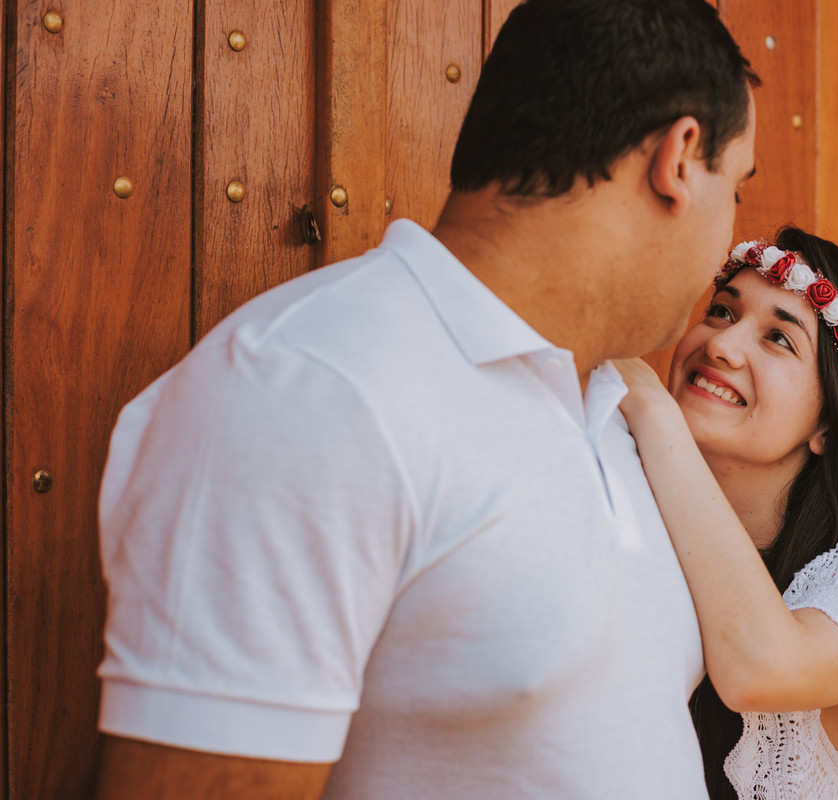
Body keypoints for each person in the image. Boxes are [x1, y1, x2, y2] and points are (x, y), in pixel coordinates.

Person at [93, 1, 758, 798]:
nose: (727, 240)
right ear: (678, 158)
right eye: (737, 190)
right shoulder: (312, 390)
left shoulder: (615, 409)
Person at [614, 226, 838, 799]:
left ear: (828, 424)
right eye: (721, 310)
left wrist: (651, 407)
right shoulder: (618, 499)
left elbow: (759, 669)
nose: (721, 344)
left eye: (779, 338)